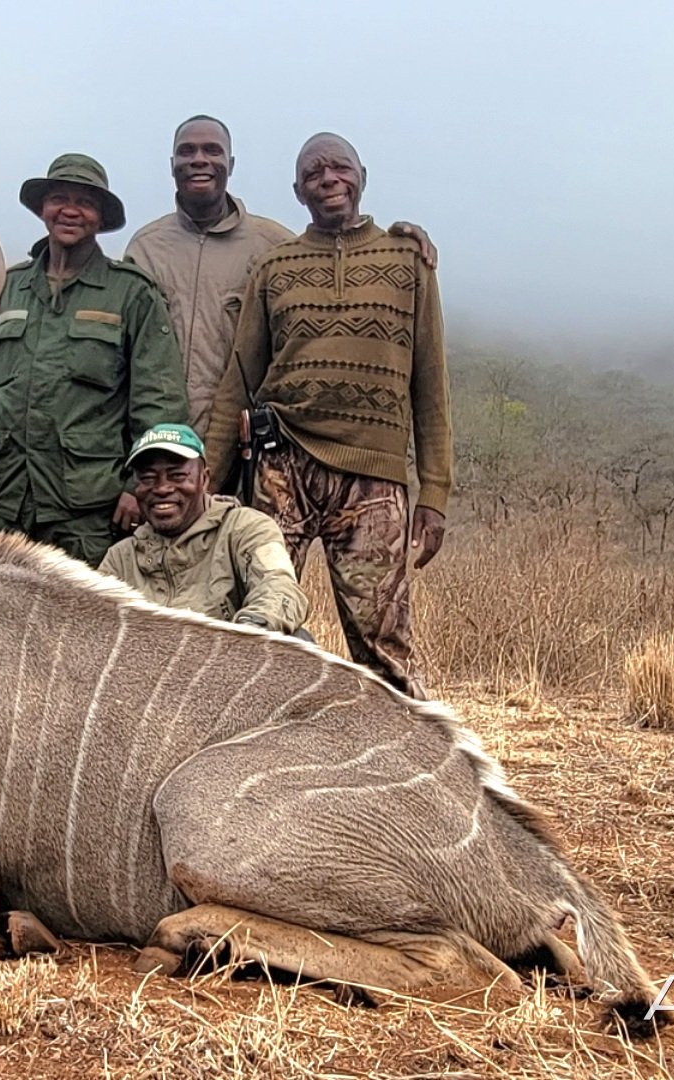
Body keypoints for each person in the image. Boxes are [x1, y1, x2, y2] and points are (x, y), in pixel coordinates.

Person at [201, 133, 449, 694]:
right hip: (280, 466)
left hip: (373, 481)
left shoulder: (408, 259)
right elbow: (238, 381)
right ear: (297, 190)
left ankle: (404, 767)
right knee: (255, 629)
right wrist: (209, 485)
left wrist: (434, 493)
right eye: (314, 171)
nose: (328, 177)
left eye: (339, 166)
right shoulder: (276, 266)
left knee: (382, 645)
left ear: (363, 176)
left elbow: (431, 385)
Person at [0, 153, 187, 567]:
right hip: (0, 502)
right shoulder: (8, 289)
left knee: (79, 628)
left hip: (88, 511)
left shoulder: (131, 293)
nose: (70, 210)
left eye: (85, 202)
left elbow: (159, 405)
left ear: (100, 217)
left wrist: (136, 487)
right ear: (43, 208)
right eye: (59, 198)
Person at [125, 115, 437, 435]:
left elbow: (340, 258)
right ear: (172, 163)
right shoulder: (145, 249)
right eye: (187, 151)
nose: (199, 160)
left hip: (245, 441)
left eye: (212, 151)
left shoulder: (274, 247)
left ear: (230, 164)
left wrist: (401, 239)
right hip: (159, 440)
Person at [99, 423, 307, 634]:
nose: (162, 488)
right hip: (148, 663)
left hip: (227, 658)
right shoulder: (120, 559)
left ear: (204, 479)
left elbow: (279, 588)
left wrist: (248, 632)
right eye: (148, 478)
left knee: (299, 638)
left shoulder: (245, 528)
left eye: (177, 475)